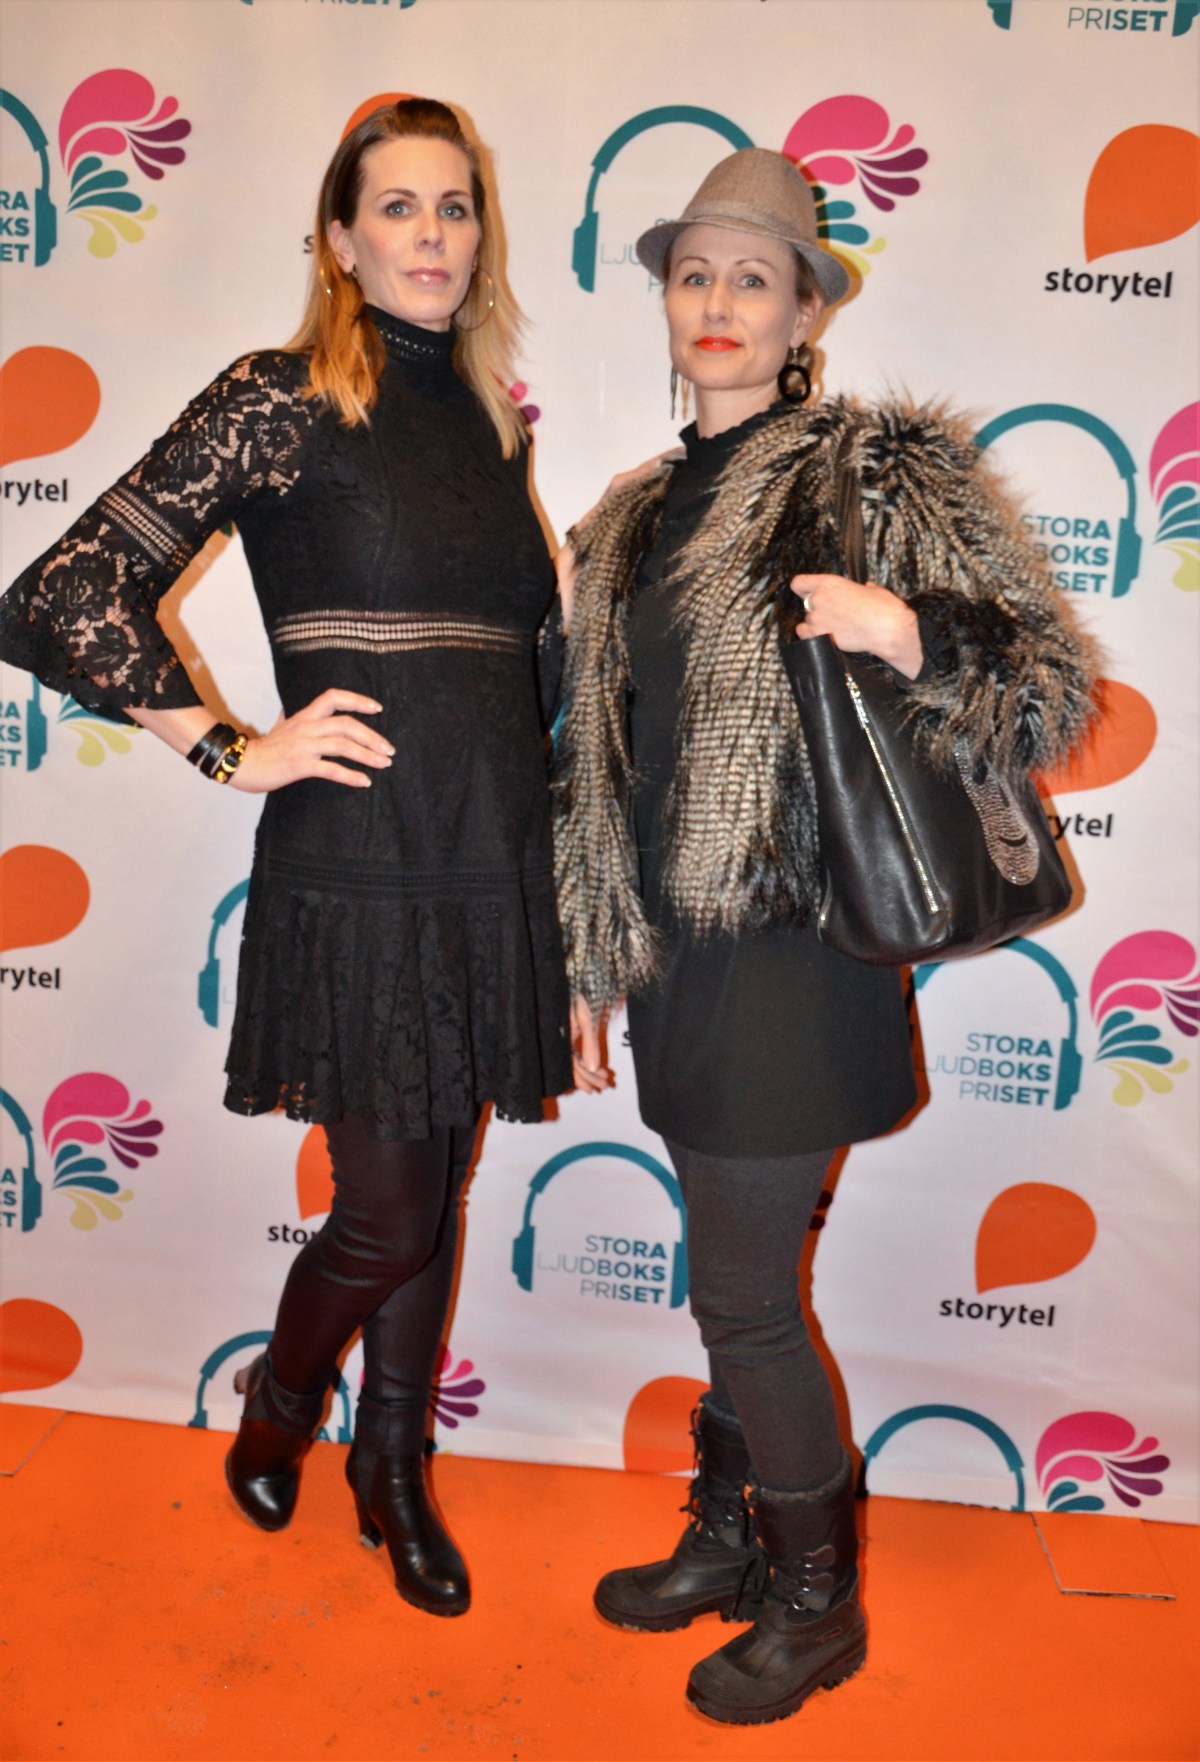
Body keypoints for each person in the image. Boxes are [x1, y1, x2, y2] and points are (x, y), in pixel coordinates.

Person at [0, 98, 571, 1618]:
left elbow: (517, 665)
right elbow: (66, 590)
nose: (432, 235)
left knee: (438, 1185)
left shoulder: (493, 421)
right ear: (339, 239)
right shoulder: (279, 398)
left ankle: (395, 1467)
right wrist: (227, 744)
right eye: (398, 207)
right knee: (387, 1210)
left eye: (456, 207)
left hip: (490, 856)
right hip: (362, 857)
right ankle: (283, 1399)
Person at [553, 148, 1095, 1723]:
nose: (719, 302)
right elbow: (598, 760)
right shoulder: (628, 514)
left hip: (798, 959)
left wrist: (907, 626)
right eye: (694, 275)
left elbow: (1047, 683)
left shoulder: (869, 474)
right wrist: (591, 954)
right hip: (677, 965)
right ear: (667, 303)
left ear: (805, 316)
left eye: (754, 278)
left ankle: (815, 1593)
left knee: (739, 1293)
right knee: (740, 1278)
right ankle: (733, 1531)